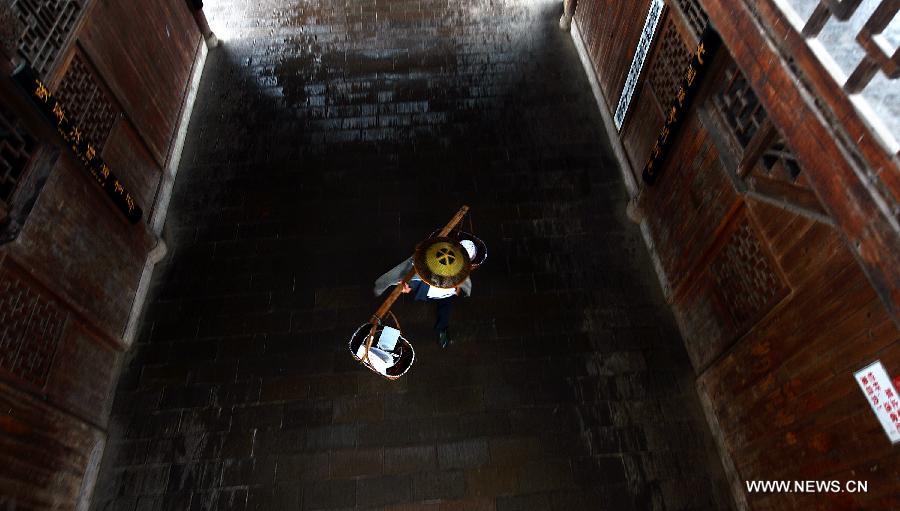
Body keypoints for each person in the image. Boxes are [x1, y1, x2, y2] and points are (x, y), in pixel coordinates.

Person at [374, 240, 476, 348]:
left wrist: (457, 289)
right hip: (427, 291)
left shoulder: (460, 269)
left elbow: (459, 284)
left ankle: (442, 330)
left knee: (445, 310)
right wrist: (406, 284)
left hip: (446, 295)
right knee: (443, 305)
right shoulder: (431, 259)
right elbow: (413, 275)